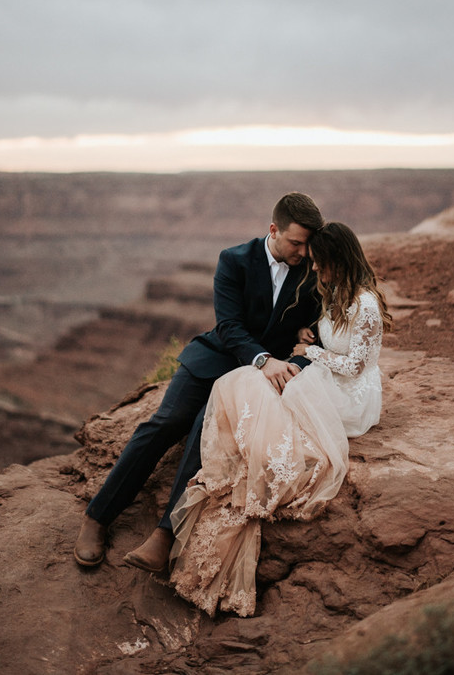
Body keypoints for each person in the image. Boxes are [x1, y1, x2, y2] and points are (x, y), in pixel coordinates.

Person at [124, 222, 392, 617]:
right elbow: (329, 333)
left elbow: (355, 366)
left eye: (320, 262)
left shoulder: (366, 304)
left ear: (338, 260)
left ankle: (204, 497)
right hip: (325, 376)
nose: (314, 268)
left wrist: (309, 352)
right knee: (249, 385)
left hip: (350, 395)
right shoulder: (334, 290)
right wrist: (309, 333)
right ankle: (197, 497)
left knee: (263, 395)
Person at [74, 192, 324, 569]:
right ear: (274, 230)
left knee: (202, 432)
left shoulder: (310, 271)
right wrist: (264, 360)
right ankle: (97, 517)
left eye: (308, 245)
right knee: (164, 423)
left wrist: (297, 354)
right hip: (216, 359)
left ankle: (164, 535)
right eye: (296, 243)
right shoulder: (234, 259)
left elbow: (321, 330)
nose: (303, 252)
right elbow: (229, 326)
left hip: (251, 379)